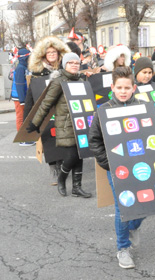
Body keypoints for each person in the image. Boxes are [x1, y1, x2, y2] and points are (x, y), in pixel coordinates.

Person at [89, 66, 155, 269]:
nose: (123, 91)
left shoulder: (144, 107)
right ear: (112, 88)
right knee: (123, 207)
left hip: (143, 166)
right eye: (119, 87)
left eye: (127, 87)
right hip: (118, 170)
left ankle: (133, 226)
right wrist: (108, 163)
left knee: (148, 203)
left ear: (134, 88)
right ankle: (123, 248)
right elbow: (94, 140)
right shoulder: (103, 111)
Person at [27, 53, 92, 199]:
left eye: (77, 63)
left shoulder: (81, 80)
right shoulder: (58, 82)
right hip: (65, 125)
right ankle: (62, 178)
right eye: (71, 63)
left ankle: (77, 187)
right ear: (65, 65)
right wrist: (35, 123)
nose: (75, 65)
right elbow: (46, 104)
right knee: (71, 155)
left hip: (81, 124)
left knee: (80, 155)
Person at [23, 36, 71, 182]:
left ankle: (65, 169)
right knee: (50, 142)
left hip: (63, 112)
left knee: (66, 142)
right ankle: (56, 172)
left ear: (58, 54)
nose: (51, 54)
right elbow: (31, 98)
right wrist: (27, 120)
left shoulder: (65, 71)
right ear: (44, 55)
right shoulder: (38, 75)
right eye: (48, 52)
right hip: (46, 114)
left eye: (54, 52)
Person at [11, 48, 30, 143]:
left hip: (21, 96)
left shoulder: (23, 66)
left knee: (23, 117)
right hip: (19, 97)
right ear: (24, 58)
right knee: (21, 117)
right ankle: (22, 139)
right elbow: (19, 85)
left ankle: (25, 138)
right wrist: (22, 100)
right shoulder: (20, 68)